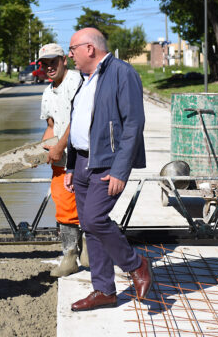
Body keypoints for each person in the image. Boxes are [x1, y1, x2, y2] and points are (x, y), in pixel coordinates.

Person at [64, 28, 152, 311]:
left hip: (106, 164)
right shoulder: (85, 80)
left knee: (95, 219)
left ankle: (136, 265)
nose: (70, 55)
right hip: (80, 163)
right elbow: (78, 123)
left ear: (90, 48)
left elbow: (133, 125)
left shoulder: (122, 74)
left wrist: (120, 170)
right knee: (89, 227)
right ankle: (104, 291)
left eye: (72, 48)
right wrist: (69, 166)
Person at [37, 43, 88, 277]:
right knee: (63, 205)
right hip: (60, 161)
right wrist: (40, 150)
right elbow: (50, 126)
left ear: (64, 60)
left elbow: (78, 120)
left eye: (53, 62)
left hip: (82, 157)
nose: (49, 67)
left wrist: (59, 146)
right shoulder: (48, 92)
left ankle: (89, 250)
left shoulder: (77, 82)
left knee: (88, 203)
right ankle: (70, 256)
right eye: (44, 63)